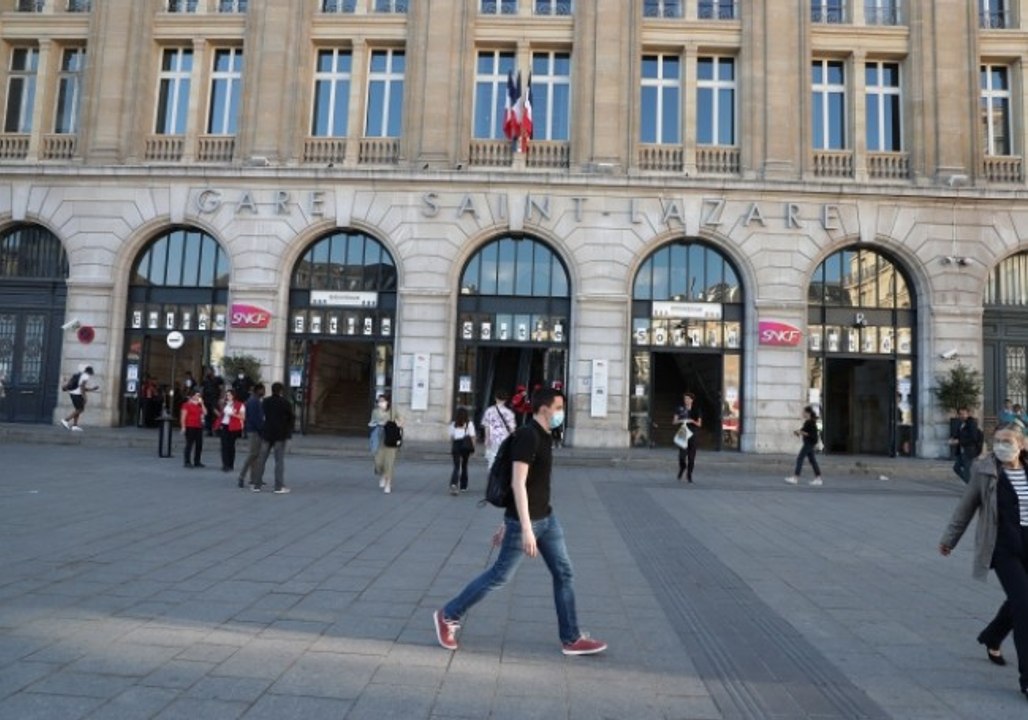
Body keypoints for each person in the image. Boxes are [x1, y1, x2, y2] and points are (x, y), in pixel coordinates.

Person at [433, 388, 608, 657]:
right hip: (529, 523)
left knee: (564, 573)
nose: (562, 412)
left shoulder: (545, 435)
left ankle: (571, 638)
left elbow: (536, 485)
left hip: (547, 519)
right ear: (543, 409)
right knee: (499, 576)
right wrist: (522, 527)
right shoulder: (528, 436)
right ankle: (448, 614)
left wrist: (511, 522)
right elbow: (518, 482)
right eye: (558, 407)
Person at [939, 422, 1028, 703]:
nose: (1002, 445)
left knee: (1019, 600)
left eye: (1008, 440)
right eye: (998, 440)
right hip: (1002, 547)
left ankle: (992, 635)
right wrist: (949, 539)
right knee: (1025, 606)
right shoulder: (985, 470)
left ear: (1022, 444)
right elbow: (966, 506)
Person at [252, 382, 294, 494]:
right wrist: (288, 434)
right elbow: (290, 419)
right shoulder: (285, 403)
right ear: (281, 391)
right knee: (279, 461)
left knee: (262, 459)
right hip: (280, 435)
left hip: (267, 433)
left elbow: (262, 416)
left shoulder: (265, 401)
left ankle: (257, 485)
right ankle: (278, 486)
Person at [368, 394, 402, 494]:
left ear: (387, 402)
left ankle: (388, 483)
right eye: (379, 401)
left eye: (383, 401)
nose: (381, 403)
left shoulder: (392, 411)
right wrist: (374, 424)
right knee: (378, 462)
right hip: (379, 439)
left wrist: (397, 423)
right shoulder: (375, 412)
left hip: (390, 439)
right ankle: (382, 474)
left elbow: (401, 420)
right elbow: (372, 422)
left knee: (389, 463)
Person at [785, 406, 823, 486]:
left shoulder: (810, 422)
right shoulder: (809, 422)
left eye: (804, 412)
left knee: (800, 458)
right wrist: (798, 432)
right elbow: (803, 430)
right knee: (812, 461)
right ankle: (818, 478)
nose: (802, 413)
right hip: (809, 443)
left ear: (807, 413)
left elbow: (809, 434)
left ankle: (795, 478)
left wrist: (801, 432)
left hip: (809, 443)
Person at [237, 383, 266, 489]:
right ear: (258, 390)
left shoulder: (254, 400)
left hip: (253, 430)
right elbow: (256, 418)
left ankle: (254, 479)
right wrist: (262, 430)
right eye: (263, 390)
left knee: (255, 456)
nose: (264, 392)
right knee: (253, 454)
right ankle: (242, 476)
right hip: (254, 431)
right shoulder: (254, 401)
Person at [481, 389, 515, 469]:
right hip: (505, 438)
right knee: (503, 458)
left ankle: (492, 473)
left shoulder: (489, 411)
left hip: (493, 437)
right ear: (506, 400)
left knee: (492, 457)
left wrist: (487, 438)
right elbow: (512, 428)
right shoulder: (509, 412)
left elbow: (487, 426)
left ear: (495, 398)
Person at [672, 392, 702, 482]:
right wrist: (682, 420)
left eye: (688, 399)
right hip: (683, 433)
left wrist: (692, 420)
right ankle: (682, 467)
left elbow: (699, 424)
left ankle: (689, 474)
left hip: (693, 433)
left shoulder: (697, 409)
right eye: (685, 399)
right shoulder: (680, 409)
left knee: (691, 457)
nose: (686, 400)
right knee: (682, 455)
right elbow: (674, 422)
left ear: (692, 400)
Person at [949, 407, 983, 484]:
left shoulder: (972, 423)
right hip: (961, 450)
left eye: (963, 414)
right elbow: (959, 434)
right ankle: (972, 485)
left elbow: (973, 438)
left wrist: (959, 441)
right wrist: (953, 438)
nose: (962, 415)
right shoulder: (961, 423)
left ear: (968, 414)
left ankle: (973, 487)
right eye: (960, 414)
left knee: (967, 470)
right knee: (956, 468)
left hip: (969, 450)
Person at [60, 365, 99, 432]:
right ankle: (66, 420)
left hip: (73, 393)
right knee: (80, 409)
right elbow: (82, 387)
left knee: (77, 409)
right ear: (90, 371)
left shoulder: (81, 375)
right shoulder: (86, 376)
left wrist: (92, 389)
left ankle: (75, 426)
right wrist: (85, 397)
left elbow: (81, 387)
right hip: (77, 394)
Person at [216, 389, 245, 473]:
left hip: (233, 427)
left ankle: (230, 463)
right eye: (226, 395)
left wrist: (233, 414)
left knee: (231, 445)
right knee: (224, 445)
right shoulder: (224, 404)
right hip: (224, 425)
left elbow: (242, 417)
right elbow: (219, 413)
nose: (227, 396)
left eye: (229, 395)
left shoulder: (239, 405)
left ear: (233, 396)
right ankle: (225, 464)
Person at [448, 407, 476, 495]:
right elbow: (472, 437)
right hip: (466, 446)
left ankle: (454, 483)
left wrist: (453, 446)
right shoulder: (469, 424)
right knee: (464, 465)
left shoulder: (453, 424)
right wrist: (473, 449)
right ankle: (463, 486)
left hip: (456, 444)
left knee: (456, 466)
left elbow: (451, 437)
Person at [179, 390, 206, 468]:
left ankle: (197, 461)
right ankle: (187, 461)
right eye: (197, 395)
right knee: (189, 444)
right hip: (190, 426)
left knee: (199, 444)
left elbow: (205, 412)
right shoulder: (186, 405)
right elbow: (183, 416)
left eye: (199, 396)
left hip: (198, 426)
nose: (198, 397)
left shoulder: (199, 406)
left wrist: (202, 403)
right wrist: (183, 426)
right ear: (193, 396)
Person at [201, 367, 224, 437]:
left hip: (214, 400)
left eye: (208, 371)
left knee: (216, 415)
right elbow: (202, 390)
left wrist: (221, 398)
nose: (207, 372)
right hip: (207, 400)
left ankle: (217, 429)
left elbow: (222, 389)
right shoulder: (205, 380)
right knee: (207, 415)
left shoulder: (218, 379)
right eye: (207, 371)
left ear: (212, 371)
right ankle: (209, 430)